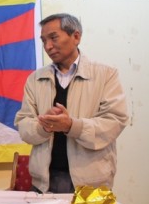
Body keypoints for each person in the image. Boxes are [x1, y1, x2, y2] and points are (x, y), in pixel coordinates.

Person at [14, 13, 128, 194]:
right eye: (43, 41)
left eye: (53, 38)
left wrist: (71, 126)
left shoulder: (106, 74)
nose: (48, 46)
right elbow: (23, 125)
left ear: (76, 37)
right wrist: (45, 126)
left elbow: (114, 122)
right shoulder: (35, 79)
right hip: (43, 183)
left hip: (93, 183)